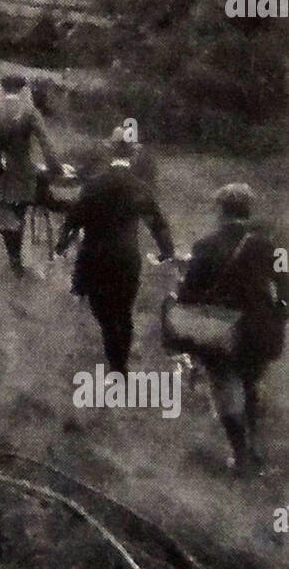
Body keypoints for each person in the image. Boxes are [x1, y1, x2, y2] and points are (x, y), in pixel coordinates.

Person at [177, 183, 288, 475]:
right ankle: (254, 450)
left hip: (222, 330)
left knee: (225, 389)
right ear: (248, 211)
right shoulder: (270, 246)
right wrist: (279, 315)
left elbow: (189, 294)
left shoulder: (206, 245)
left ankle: (241, 456)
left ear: (220, 210)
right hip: (261, 330)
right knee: (250, 385)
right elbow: (286, 285)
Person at [55, 152, 174, 373]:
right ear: (131, 158)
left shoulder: (93, 185)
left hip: (95, 257)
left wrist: (61, 245)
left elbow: (73, 219)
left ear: (110, 158)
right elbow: (158, 225)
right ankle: (122, 363)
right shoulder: (139, 187)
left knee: (104, 315)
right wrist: (166, 252)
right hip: (127, 258)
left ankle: (117, 366)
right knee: (124, 311)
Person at [0, 73, 61, 276]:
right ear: (21, 89)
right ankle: (17, 262)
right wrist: (55, 167)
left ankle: (14, 259)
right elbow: (45, 141)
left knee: (5, 215)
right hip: (22, 172)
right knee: (19, 214)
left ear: (3, 88)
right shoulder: (29, 111)